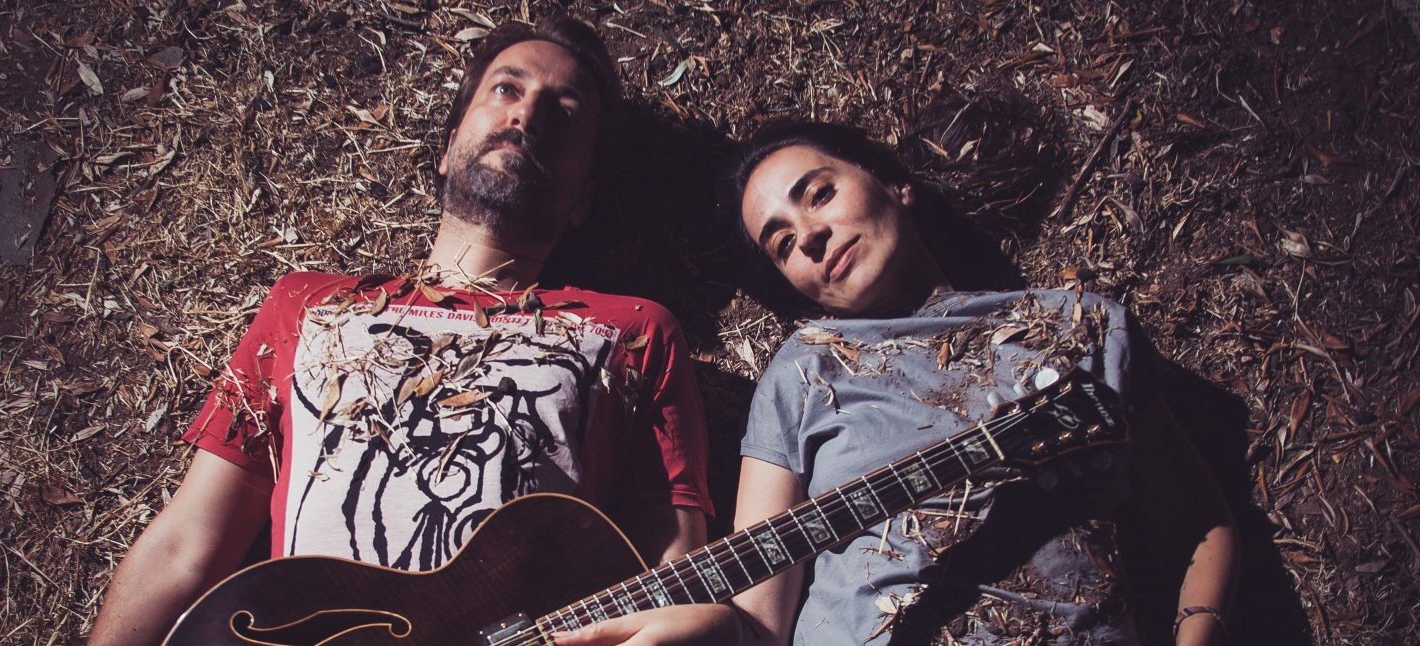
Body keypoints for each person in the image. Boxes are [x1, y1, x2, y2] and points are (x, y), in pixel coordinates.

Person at [87, 16, 736, 645]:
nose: (527, 115)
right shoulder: (307, 305)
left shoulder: (634, 331)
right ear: (448, 148)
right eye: (506, 88)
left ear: (583, 197)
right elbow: (186, 544)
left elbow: (668, 579)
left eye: (565, 112)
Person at [559, 121, 1236, 646]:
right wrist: (690, 628)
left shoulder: (1079, 327)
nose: (811, 236)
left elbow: (1199, 524)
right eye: (783, 244)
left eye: (819, 194)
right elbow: (759, 622)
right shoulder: (803, 370)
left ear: (893, 182)